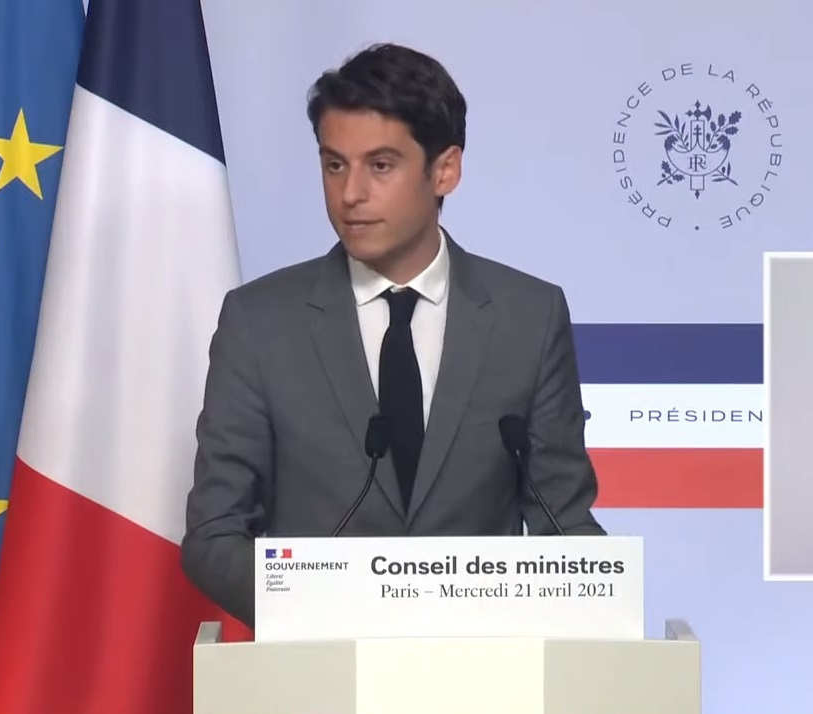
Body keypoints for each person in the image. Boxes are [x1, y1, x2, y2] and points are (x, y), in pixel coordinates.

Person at [180, 42, 605, 629]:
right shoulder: (259, 322)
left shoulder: (528, 318)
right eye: (334, 165)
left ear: (445, 170)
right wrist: (333, 615)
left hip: (484, 663)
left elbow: (565, 524)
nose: (350, 194)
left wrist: (608, 614)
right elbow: (215, 535)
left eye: (380, 166)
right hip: (319, 665)